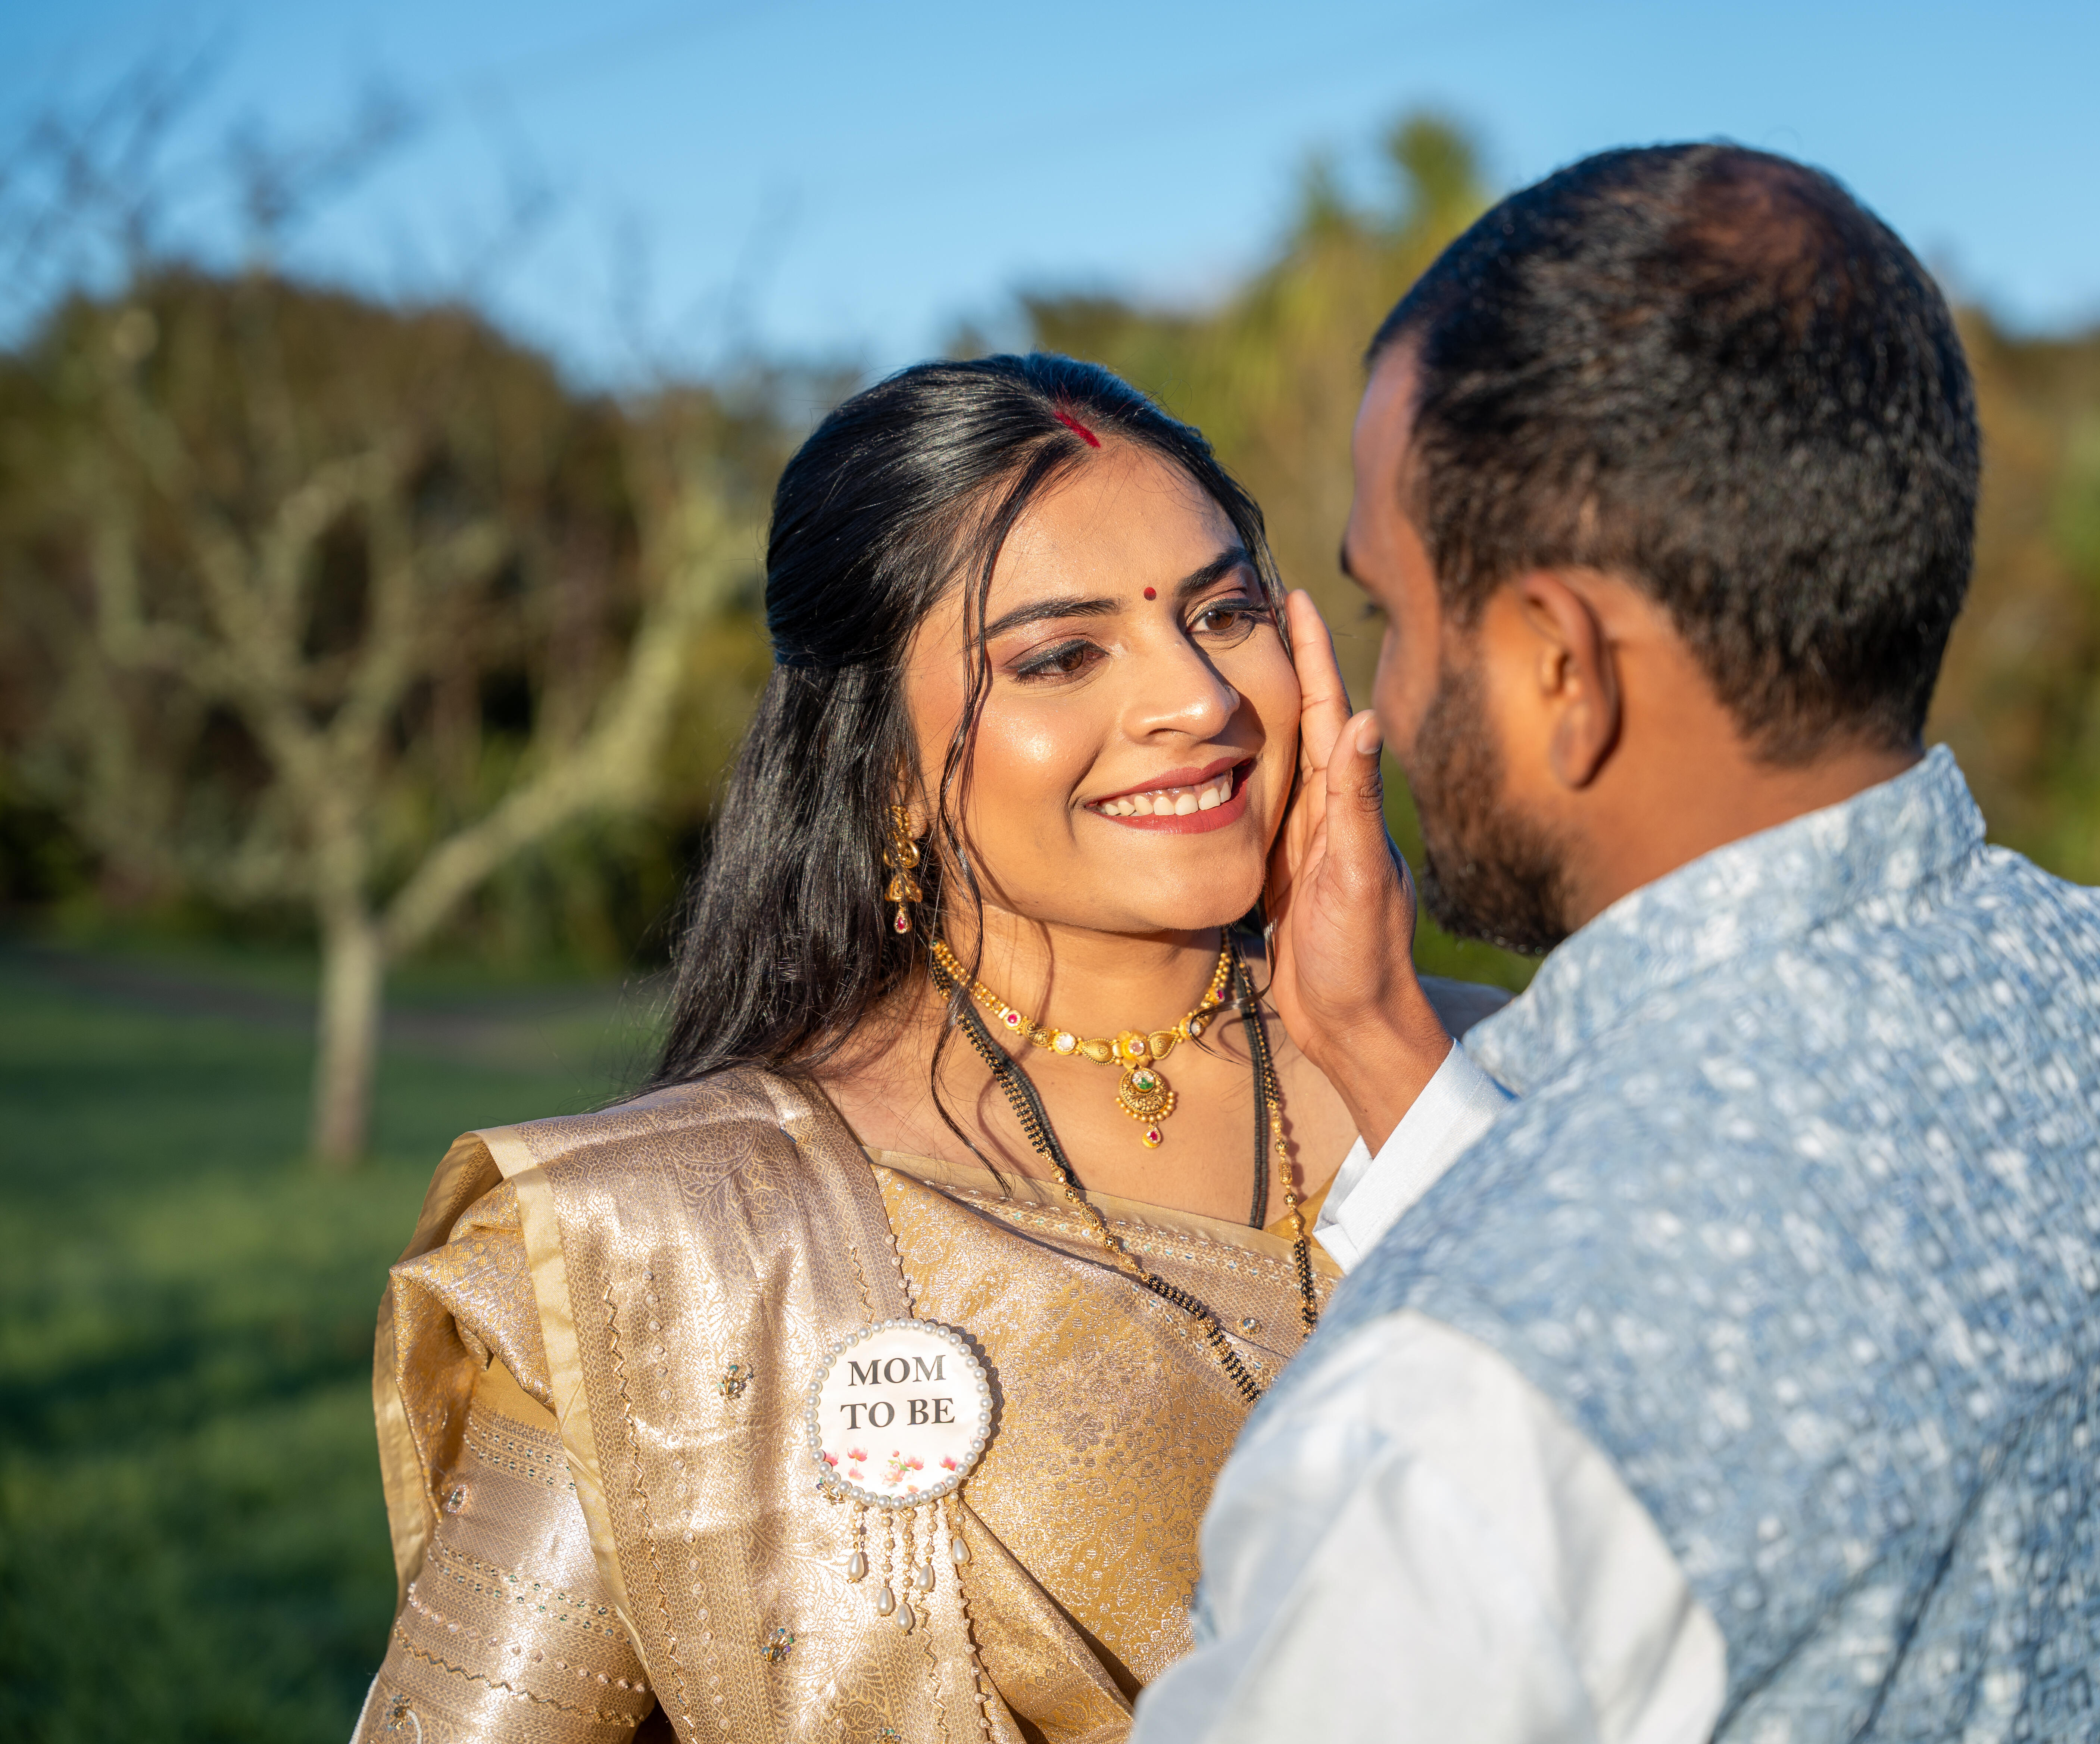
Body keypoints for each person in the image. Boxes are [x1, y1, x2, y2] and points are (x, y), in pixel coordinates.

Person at [1136, 144, 2100, 1744]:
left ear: (1565, 668)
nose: (1383, 698)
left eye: (1395, 615)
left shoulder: (1455, 1406)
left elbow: (1640, 1309)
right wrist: (1389, 1054)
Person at [352, 354, 1499, 1744]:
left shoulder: (1502, 1077)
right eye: (1062, 655)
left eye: (1225, 611)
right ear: (884, 763)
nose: (1197, 699)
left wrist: (1394, 1054)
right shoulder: (679, 1246)